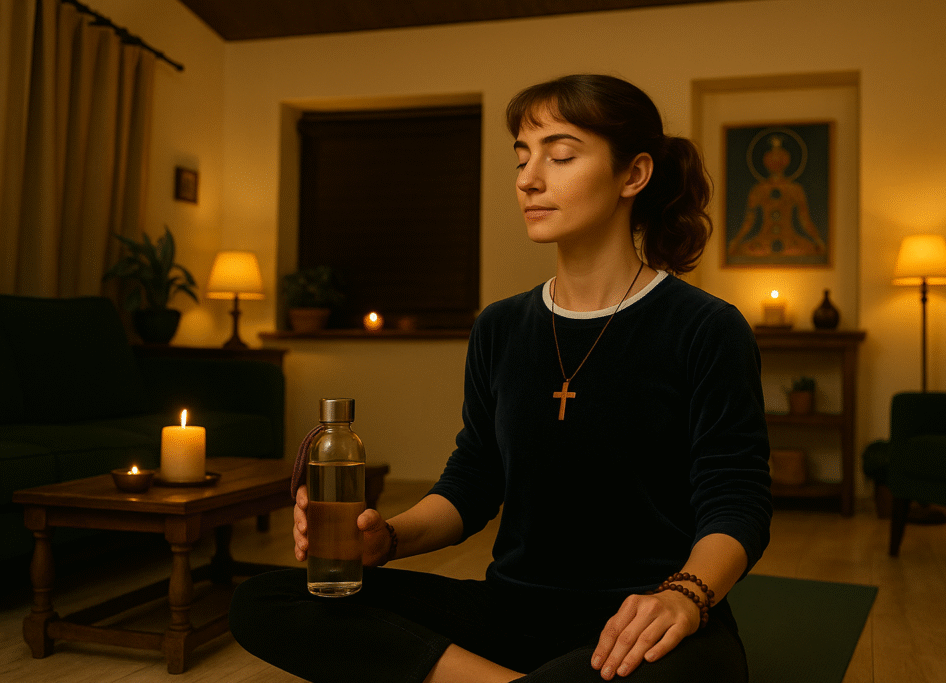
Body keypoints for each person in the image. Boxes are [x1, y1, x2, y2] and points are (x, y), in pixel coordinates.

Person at [230, 74, 772, 683]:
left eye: (559, 155)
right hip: (514, 614)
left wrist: (684, 597)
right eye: (522, 158)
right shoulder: (501, 327)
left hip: (646, 622)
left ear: (634, 174)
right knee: (266, 598)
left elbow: (737, 502)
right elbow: (473, 481)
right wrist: (384, 539)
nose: (528, 179)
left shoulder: (706, 328)